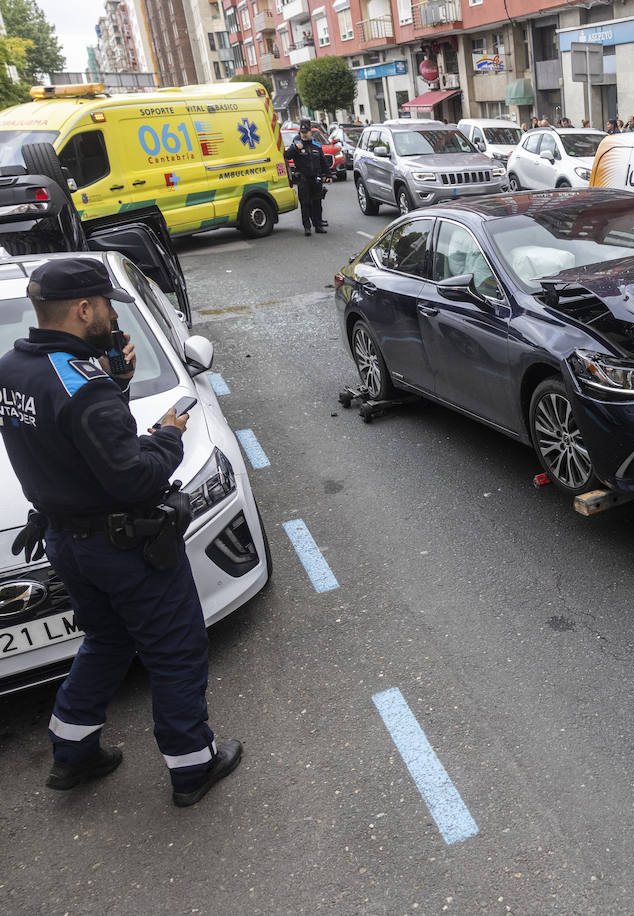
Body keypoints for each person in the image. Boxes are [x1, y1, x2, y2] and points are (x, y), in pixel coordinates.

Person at [0, 259, 243, 806]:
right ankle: (192, 767)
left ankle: (73, 751)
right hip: (123, 546)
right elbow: (133, 476)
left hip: (65, 541)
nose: (112, 315)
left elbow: (68, 446)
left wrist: (117, 385)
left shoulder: (12, 369)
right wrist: (169, 435)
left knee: (107, 641)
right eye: (106, 306)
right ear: (83, 310)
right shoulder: (81, 386)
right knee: (176, 649)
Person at [283, 118, 330, 236]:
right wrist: (294, 148)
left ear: (310, 132)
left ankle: (318, 225)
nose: (304, 134)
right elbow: (286, 156)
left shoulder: (316, 146)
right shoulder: (296, 145)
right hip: (303, 179)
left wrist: (328, 175)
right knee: (305, 204)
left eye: (306, 132)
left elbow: (323, 161)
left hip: (316, 179)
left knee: (317, 203)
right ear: (300, 132)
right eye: (302, 132)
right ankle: (307, 227)